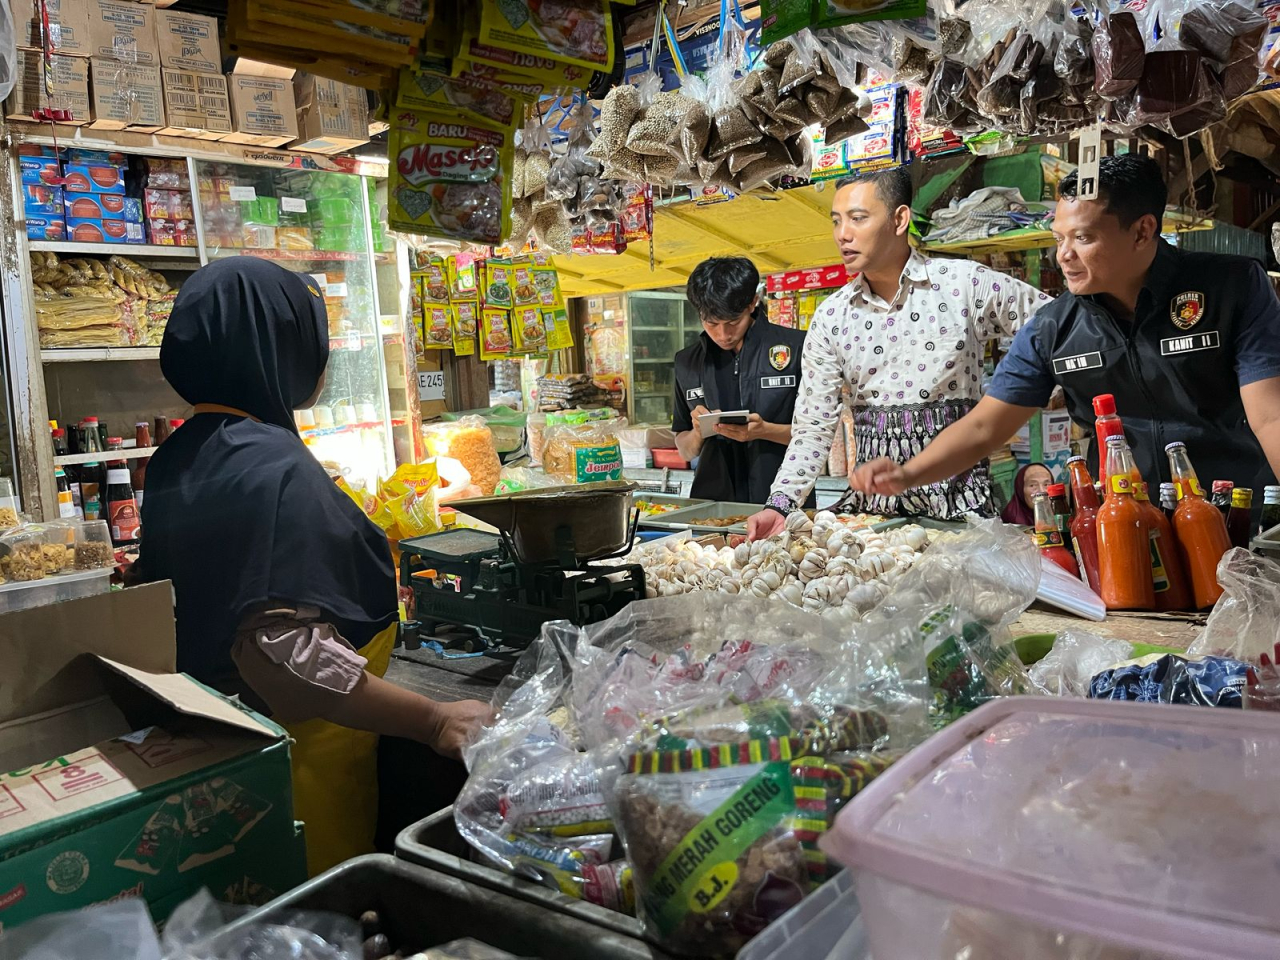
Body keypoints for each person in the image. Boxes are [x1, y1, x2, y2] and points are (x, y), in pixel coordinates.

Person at [131, 258, 490, 875]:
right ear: (284, 347)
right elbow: (285, 657)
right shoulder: (277, 470)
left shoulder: (175, 457)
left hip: (219, 761)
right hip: (300, 770)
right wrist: (432, 720)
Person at [852, 153, 1280, 507]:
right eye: (1059, 238)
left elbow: (1270, 415)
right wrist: (909, 473)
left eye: (1083, 238)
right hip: (1123, 524)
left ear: (1142, 231)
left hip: (1235, 514)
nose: (1064, 256)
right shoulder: (1054, 327)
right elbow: (985, 426)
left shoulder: (1232, 287)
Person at [748, 168, 1052, 539]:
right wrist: (779, 504)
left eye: (858, 218)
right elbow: (813, 428)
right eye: (837, 221)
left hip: (961, 512)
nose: (843, 234)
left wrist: (1028, 392)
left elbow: (1055, 327)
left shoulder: (964, 284)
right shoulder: (831, 316)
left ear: (899, 219)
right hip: (872, 519)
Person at [672, 256, 810, 504]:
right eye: (712, 323)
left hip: (785, 500)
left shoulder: (798, 347)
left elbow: (818, 435)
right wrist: (696, 433)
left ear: (752, 303)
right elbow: (684, 449)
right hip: (713, 506)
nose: (723, 335)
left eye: (733, 322)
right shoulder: (687, 362)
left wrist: (765, 431)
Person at [1001, 462, 1053, 526]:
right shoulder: (1012, 518)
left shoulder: (1058, 511)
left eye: (1046, 485)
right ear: (1020, 489)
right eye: (1032, 485)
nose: (1042, 491)